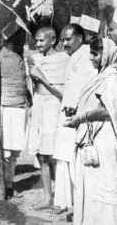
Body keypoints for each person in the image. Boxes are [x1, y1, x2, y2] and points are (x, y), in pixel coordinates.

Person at [65, 38, 117, 225]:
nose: (91, 58)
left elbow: (110, 111)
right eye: (90, 53)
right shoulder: (101, 76)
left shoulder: (113, 78)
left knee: (106, 191)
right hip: (95, 137)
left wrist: (81, 118)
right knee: (90, 190)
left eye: (95, 54)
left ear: (106, 55)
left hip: (106, 139)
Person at [52, 23, 97, 215]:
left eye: (68, 39)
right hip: (67, 114)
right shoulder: (73, 57)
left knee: (75, 160)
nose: (64, 44)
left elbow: (86, 87)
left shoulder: (87, 55)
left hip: (78, 116)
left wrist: (77, 110)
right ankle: (65, 202)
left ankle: (78, 205)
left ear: (79, 38)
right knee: (64, 159)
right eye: (62, 40)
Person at [28, 26, 69, 210]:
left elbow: (62, 94)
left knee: (52, 153)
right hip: (38, 105)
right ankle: (47, 197)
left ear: (52, 40)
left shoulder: (63, 60)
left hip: (53, 106)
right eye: (36, 40)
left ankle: (61, 196)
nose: (37, 44)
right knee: (40, 154)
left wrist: (42, 78)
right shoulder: (35, 59)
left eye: (41, 40)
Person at [0, 26, 29, 199]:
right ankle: (0, 184)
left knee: (14, 150)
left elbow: (26, 80)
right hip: (2, 106)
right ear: (10, 38)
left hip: (19, 107)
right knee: (1, 149)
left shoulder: (24, 56)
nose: (23, 40)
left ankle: (10, 182)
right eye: (20, 37)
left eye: (24, 37)